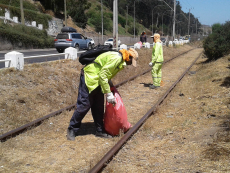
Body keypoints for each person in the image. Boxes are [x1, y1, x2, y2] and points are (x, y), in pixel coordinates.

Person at [67, 48, 139, 140]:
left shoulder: (120, 60)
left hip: (99, 81)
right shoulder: (117, 58)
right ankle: (72, 129)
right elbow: (103, 75)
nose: (130, 64)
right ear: (129, 57)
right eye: (131, 61)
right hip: (90, 78)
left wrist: (110, 85)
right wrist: (108, 93)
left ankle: (99, 130)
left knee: (98, 106)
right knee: (84, 105)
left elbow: (106, 73)